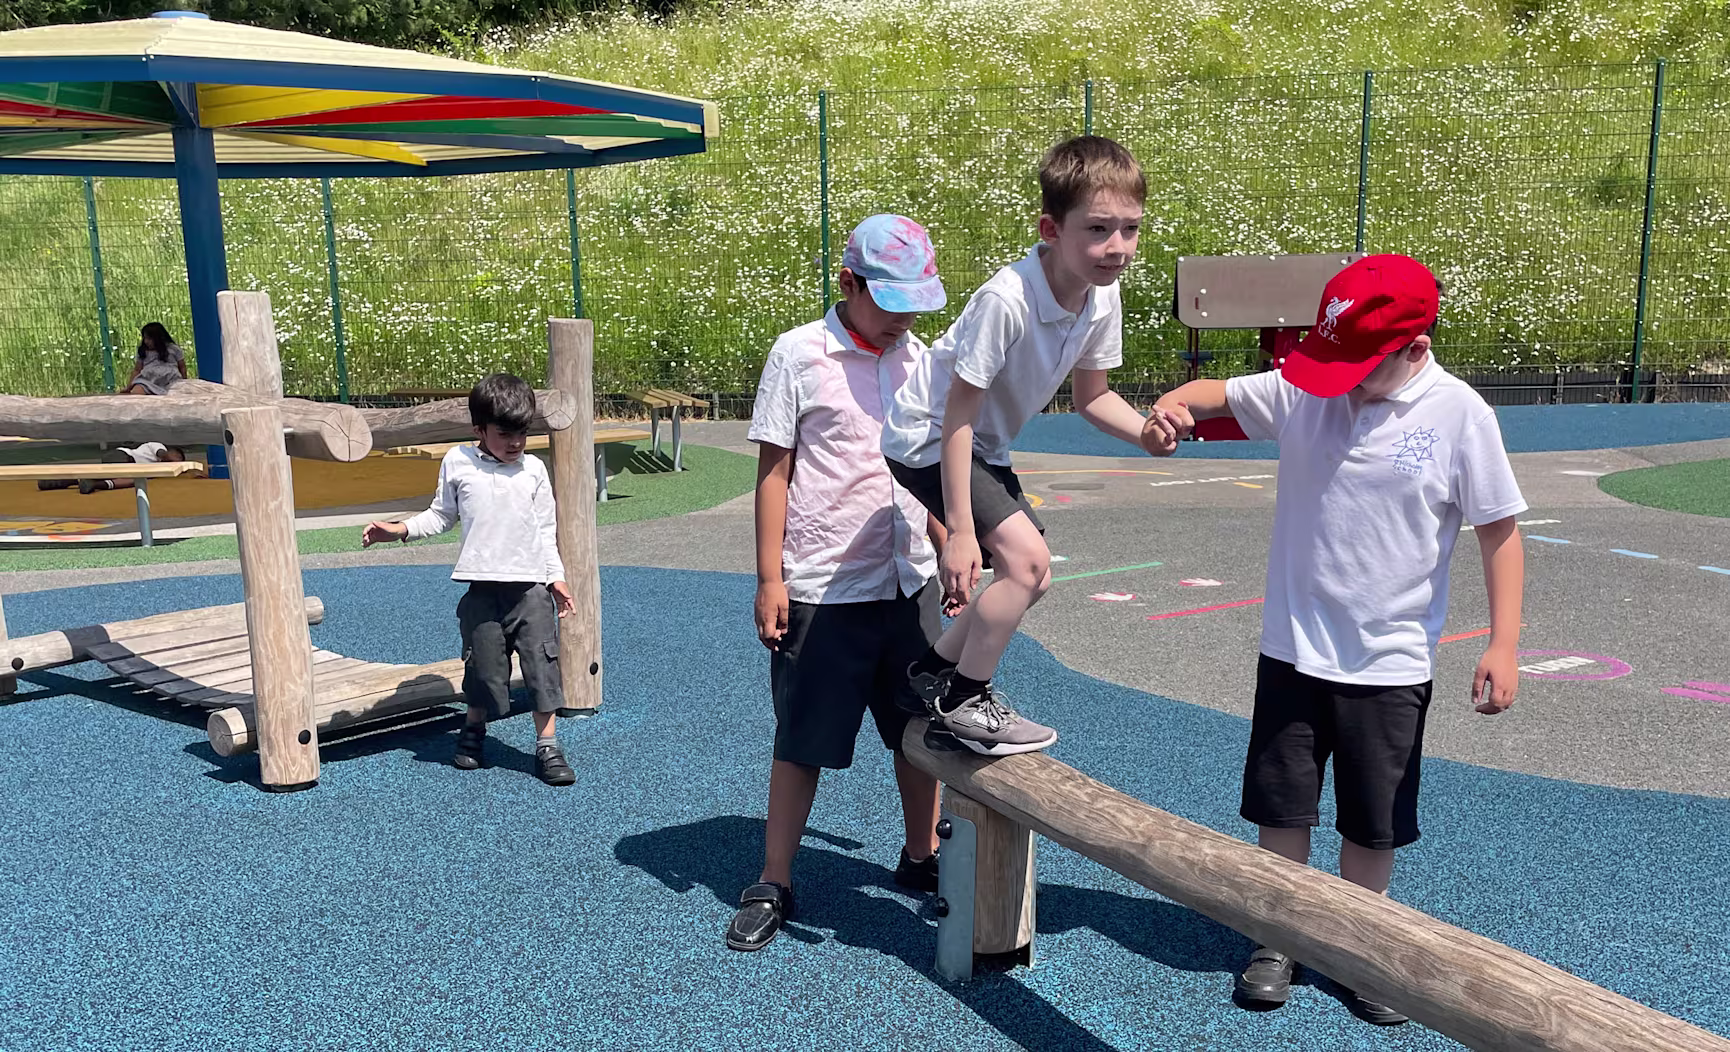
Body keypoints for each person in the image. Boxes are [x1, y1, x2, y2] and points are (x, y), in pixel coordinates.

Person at [1153, 254, 1528, 1026]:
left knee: (1372, 819)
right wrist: (1172, 406)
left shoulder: (1460, 416)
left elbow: (1500, 532)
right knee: (1282, 807)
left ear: (1415, 348)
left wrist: (1504, 642)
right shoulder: (1308, 388)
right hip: (1292, 647)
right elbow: (1207, 395)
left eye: (1359, 366)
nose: (1341, 380)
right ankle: (1278, 934)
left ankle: (1363, 947)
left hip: (1389, 663)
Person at [880, 135, 1183, 756]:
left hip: (978, 444)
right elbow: (955, 416)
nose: (1117, 248)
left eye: (1130, 229)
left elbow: (1093, 396)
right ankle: (964, 701)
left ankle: (927, 674)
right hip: (928, 438)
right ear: (1051, 228)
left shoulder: (1102, 296)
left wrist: (1145, 435)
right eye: (1098, 229)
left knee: (1032, 576)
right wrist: (959, 531)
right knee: (1025, 564)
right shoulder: (1007, 300)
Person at [726, 215, 954, 953]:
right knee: (803, 739)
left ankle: (921, 857)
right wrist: (770, 578)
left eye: (915, 305)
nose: (903, 320)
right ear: (848, 284)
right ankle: (774, 877)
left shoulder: (918, 358)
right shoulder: (799, 354)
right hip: (823, 584)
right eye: (890, 304)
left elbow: (930, 466)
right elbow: (774, 470)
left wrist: (950, 539)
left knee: (920, 734)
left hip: (907, 580)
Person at [360, 373, 578, 786]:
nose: (515, 443)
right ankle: (474, 726)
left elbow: (545, 532)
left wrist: (557, 580)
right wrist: (400, 529)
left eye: (522, 433)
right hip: (482, 591)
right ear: (479, 429)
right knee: (483, 669)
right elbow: (441, 516)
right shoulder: (458, 462)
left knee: (541, 665)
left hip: (530, 592)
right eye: (503, 434)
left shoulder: (533, 470)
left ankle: (547, 745)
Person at [36, 442, 191, 494]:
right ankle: (60, 481)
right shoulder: (158, 447)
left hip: (131, 469)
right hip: (122, 456)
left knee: (135, 480)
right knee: (129, 474)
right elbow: (165, 456)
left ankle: (91, 484)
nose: (176, 460)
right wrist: (183, 465)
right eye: (177, 456)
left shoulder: (158, 469)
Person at [125, 323, 187, 395]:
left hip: (170, 381)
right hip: (147, 381)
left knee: (177, 393)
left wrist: (184, 381)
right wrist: (129, 387)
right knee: (136, 392)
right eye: (144, 338)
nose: (146, 341)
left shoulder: (173, 349)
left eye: (149, 338)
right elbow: (137, 370)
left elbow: (182, 366)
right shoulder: (143, 351)